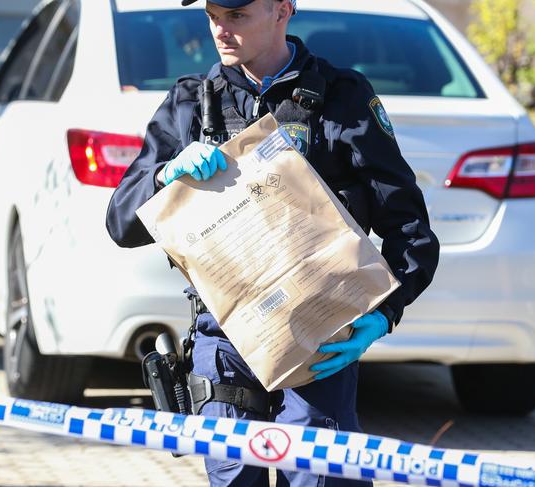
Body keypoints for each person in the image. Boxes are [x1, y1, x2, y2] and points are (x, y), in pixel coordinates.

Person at [106, 0, 440, 485]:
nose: (220, 29)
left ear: (283, 10)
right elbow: (120, 222)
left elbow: (409, 229)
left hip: (320, 339)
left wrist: (382, 314)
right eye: (212, 15)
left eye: (237, 16)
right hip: (224, 341)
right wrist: (165, 177)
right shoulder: (189, 103)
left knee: (321, 477)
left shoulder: (343, 96)